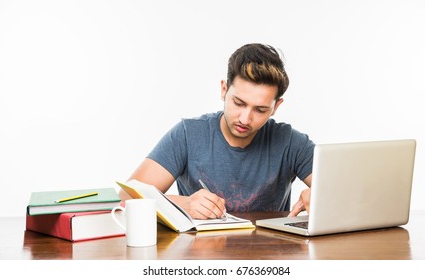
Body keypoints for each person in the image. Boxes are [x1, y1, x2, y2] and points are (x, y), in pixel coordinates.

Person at [121, 43, 314, 219]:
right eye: (239, 103)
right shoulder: (189, 135)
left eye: (260, 110)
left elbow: (341, 193)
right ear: (224, 89)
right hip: (202, 253)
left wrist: (322, 197)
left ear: (276, 107)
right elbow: (125, 199)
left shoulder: (290, 141)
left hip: (269, 254)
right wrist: (183, 204)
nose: (245, 119)